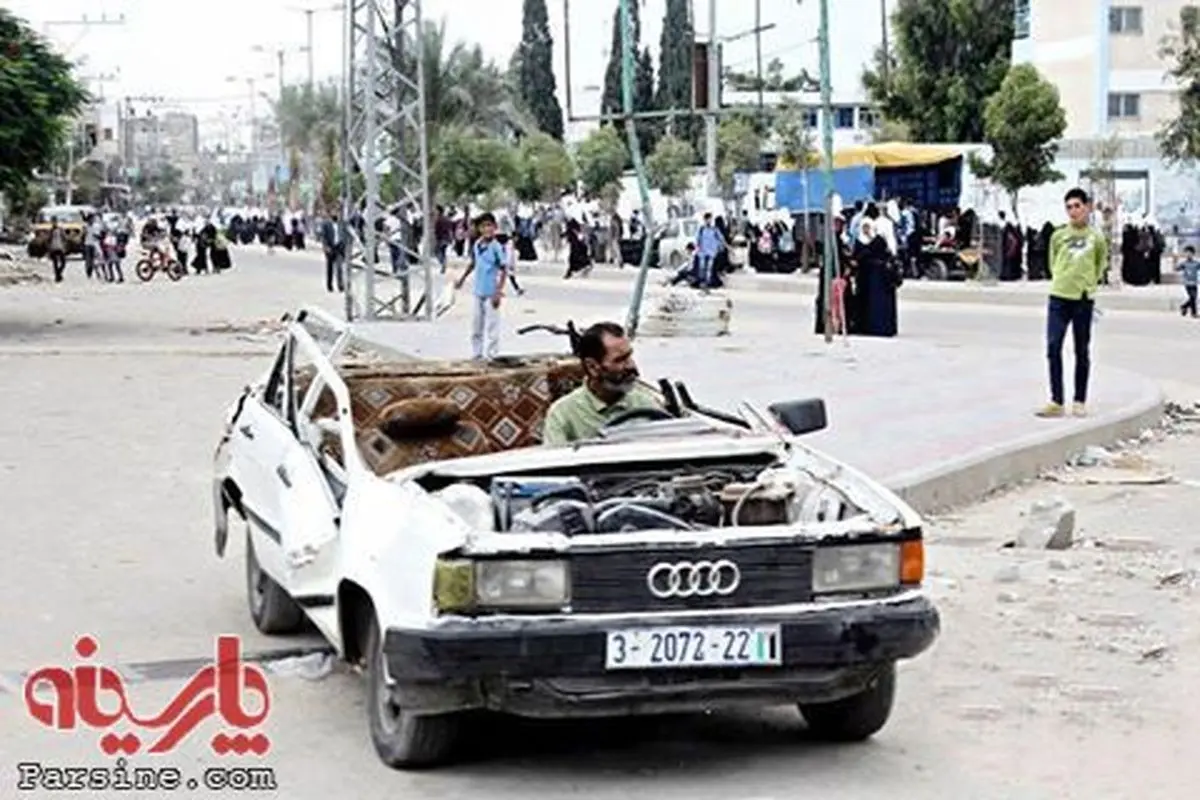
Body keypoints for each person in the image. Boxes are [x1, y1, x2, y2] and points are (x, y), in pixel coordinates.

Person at [1038, 188, 1107, 419]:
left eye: (1077, 206)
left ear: (1087, 207)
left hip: (1083, 299)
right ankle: (1056, 400)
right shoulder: (1058, 236)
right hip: (1059, 297)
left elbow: (1100, 264)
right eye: (1069, 207)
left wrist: (1089, 284)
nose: (1073, 211)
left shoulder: (1096, 237)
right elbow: (1052, 262)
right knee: (1053, 347)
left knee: (1081, 350)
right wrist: (1061, 278)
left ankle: (1079, 400)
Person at [542, 322, 663, 445]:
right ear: (593, 367)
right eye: (620, 360)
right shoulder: (563, 415)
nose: (631, 366)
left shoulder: (648, 404)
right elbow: (557, 460)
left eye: (629, 356)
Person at [454, 212, 507, 360]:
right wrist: (462, 279)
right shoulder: (477, 244)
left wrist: (498, 291)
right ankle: (477, 353)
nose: (487, 229)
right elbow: (473, 263)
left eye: (490, 225)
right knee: (476, 324)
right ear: (479, 229)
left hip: (491, 292)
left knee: (492, 325)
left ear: (495, 227)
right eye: (484, 226)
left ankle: (492, 354)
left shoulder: (496, 247)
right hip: (479, 291)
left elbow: (503, 269)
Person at [695, 212, 726, 288]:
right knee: (702, 267)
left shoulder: (714, 229)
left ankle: (707, 282)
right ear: (705, 220)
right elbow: (697, 240)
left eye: (710, 219)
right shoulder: (701, 229)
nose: (709, 221)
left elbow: (721, 239)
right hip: (702, 252)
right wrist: (697, 249)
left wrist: (723, 247)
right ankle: (702, 281)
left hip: (712, 252)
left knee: (709, 267)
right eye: (707, 219)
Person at [320, 212, 346, 293]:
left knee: (339, 267)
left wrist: (343, 245)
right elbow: (323, 236)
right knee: (330, 268)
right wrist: (325, 247)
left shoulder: (341, 224)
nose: (336, 214)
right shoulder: (326, 224)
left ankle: (340, 285)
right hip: (330, 248)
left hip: (339, 248)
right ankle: (329, 285)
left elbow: (344, 235)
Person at [1177, 245, 1199, 318]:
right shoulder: (1184, 263)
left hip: (1194, 283)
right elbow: (1177, 268)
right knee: (1192, 297)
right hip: (1187, 283)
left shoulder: (1196, 263)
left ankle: (1184, 306)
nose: (1188, 254)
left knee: (1194, 298)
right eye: (1186, 253)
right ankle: (1193, 313)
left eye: (1190, 253)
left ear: (1193, 254)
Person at [47, 217, 67, 282]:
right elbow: (49, 240)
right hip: (53, 248)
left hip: (60, 247)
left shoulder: (60, 229)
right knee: (55, 263)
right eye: (53, 222)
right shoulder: (51, 230)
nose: (54, 223)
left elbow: (64, 238)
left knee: (63, 263)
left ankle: (58, 273)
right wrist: (49, 249)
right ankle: (57, 277)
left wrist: (64, 246)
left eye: (55, 221)